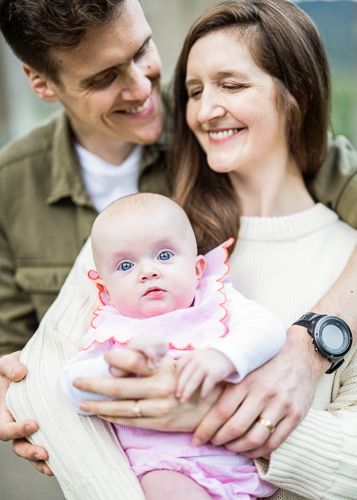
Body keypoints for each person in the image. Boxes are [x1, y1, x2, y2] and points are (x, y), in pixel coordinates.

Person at [7, 1, 357, 499]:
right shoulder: (146, 237)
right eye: (193, 91)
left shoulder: (347, 264)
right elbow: (44, 386)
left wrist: (222, 421)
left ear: (296, 89)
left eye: (231, 85)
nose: (203, 109)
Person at [60, 192, 286, 499]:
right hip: (164, 465)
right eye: (125, 265)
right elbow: (72, 387)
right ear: (106, 291)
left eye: (164, 255)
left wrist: (224, 357)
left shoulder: (217, 302)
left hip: (240, 463)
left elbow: (269, 330)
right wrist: (118, 366)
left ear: (196, 269)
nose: (148, 271)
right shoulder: (115, 331)